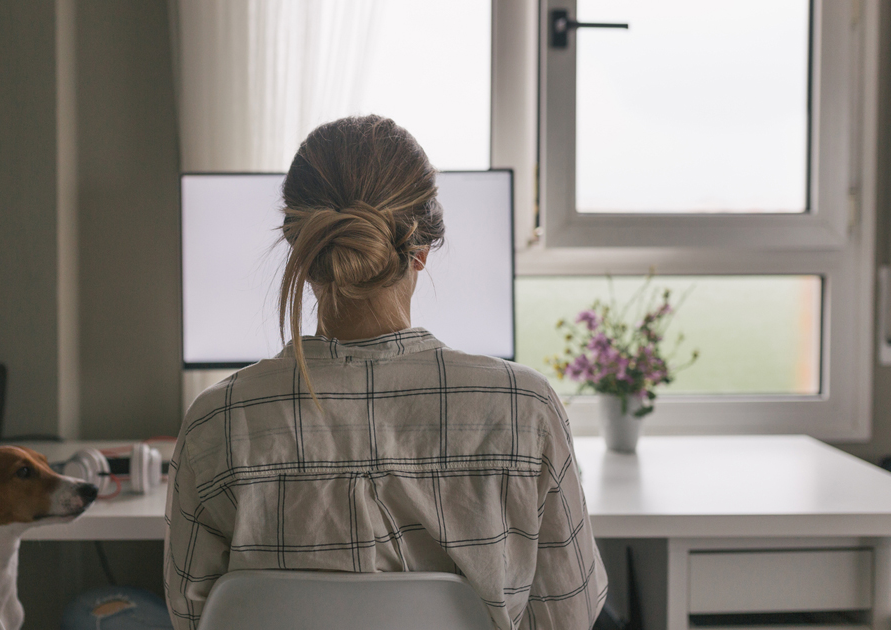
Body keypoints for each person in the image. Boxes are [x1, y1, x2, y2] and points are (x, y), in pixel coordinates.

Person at [165, 115, 606, 630]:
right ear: (420, 251)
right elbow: (565, 617)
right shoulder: (524, 408)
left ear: (300, 248)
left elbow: (194, 620)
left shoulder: (215, 422)